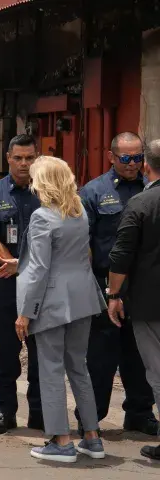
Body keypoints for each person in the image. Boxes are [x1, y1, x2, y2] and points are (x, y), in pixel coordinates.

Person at [15, 156, 106, 463]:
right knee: (78, 365)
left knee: (51, 369)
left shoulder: (43, 216)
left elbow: (40, 268)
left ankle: (61, 441)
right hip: (83, 297)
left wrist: (26, 312)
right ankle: (92, 436)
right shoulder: (79, 212)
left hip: (53, 302)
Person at [78, 132, 158, 436]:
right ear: (112, 157)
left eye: (138, 157)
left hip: (140, 286)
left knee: (139, 356)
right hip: (103, 283)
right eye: (126, 158)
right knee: (100, 357)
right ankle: (91, 418)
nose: (133, 164)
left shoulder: (150, 188)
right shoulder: (94, 192)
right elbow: (82, 241)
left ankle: (139, 413)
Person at [0, 134, 43, 434]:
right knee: (5, 352)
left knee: (41, 352)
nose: (24, 164)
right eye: (19, 158)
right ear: (9, 159)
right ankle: (3, 411)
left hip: (42, 286)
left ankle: (40, 413)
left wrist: (28, 269)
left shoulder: (47, 191)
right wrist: (16, 268)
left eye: (30, 158)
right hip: (6, 284)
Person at [107, 139, 160, 461]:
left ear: (146, 165)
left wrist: (114, 294)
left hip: (150, 304)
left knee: (156, 371)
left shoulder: (141, 204)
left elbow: (122, 253)